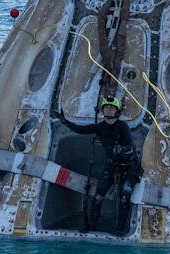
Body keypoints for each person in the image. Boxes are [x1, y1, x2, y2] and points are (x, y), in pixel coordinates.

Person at [57, 97, 141, 235]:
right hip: (111, 166)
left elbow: (130, 147)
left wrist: (120, 150)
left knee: (125, 197)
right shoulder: (100, 127)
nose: (109, 109)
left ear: (117, 111)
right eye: (106, 107)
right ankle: (92, 226)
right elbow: (80, 129)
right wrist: (64, 121)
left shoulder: (122, 126)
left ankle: (120, 229)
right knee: (97, 197)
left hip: (129, 167)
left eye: (112, 108)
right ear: (103, 110)